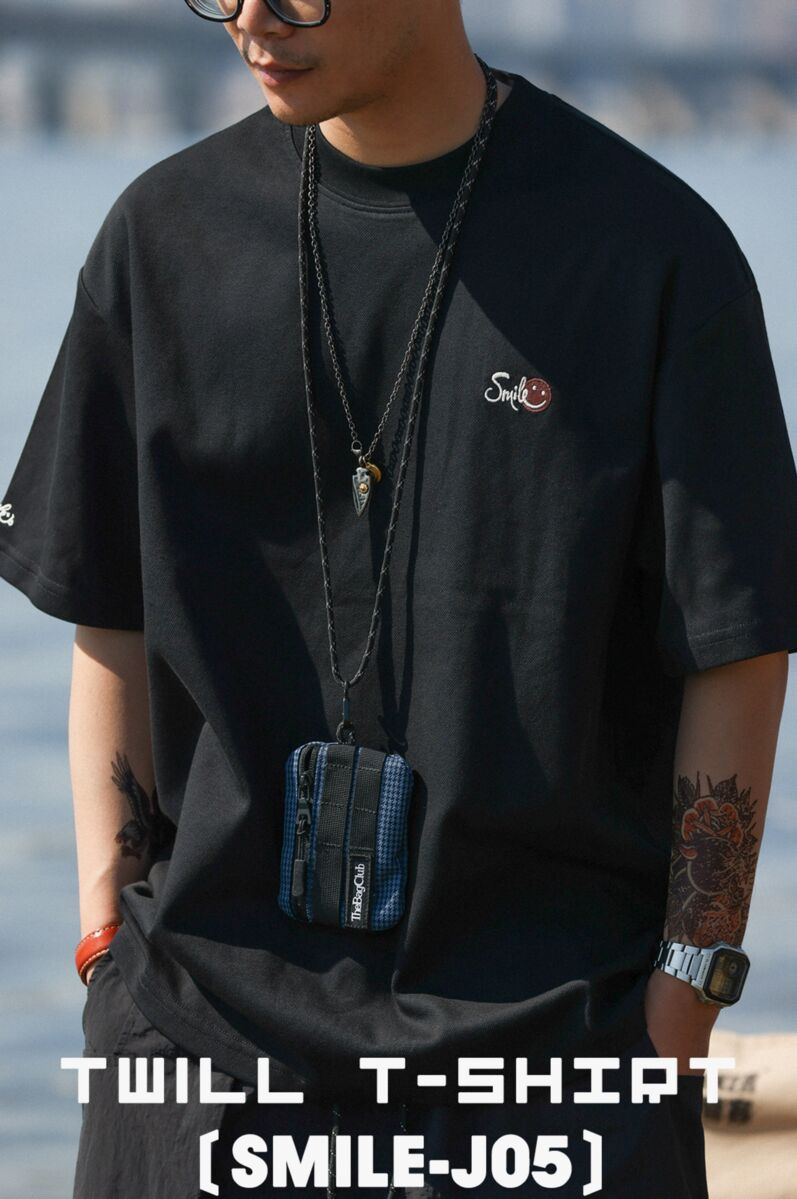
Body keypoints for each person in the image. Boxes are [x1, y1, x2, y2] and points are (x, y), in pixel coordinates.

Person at [1, 0, 796, 1195]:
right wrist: (108, 952)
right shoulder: (160, 240)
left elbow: (734, 647)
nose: (253, 19)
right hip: (196, 1066)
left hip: (546, 1073)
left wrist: (676, 1011)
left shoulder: (651, 254)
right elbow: (104, 607)